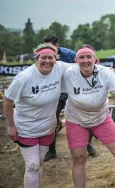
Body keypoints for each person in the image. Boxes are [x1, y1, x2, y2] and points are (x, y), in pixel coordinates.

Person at [62, 44, 115, 188]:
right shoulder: (68, 74)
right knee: (79, 158)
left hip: (101, 118)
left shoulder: (105, 73)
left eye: (89, 57)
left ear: (96, 60)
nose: (86, 60)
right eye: (82, 57)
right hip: (76, 120)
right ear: (76, 61)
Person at [3, 43, 70, 188]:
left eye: (51, 57)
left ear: (56, 58)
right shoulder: (24, 78)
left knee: (38, 163)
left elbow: (81, 66)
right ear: (36, 58)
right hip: (26, 128)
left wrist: (104, 71)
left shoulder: (60, 67)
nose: (47, 61)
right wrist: (11, 125)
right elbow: (8, 100)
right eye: (43, 58)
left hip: (47, 127)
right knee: (32, 165)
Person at [43, 34, 97, 161]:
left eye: (50, 46)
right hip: (55, 91)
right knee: (51, 120)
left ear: (57, 45)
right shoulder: (44, 57)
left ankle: (87, 144)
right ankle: (51, 150)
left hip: (72, 89)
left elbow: (84, 65)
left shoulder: (69, 54)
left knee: (83, 115)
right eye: (45, 46)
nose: (48, 49)